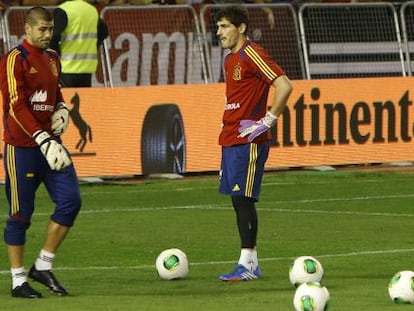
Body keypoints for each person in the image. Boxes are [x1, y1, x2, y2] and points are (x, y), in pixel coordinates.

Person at [0, 6, 81, 298]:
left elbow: (56, 93)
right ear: (28, 29)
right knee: (20, 215)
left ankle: (43, 266)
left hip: (50, 145)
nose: (48, 34)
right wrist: (41, 138)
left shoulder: (53, 58)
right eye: (42, 29)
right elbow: (15, 105)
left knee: (71, 200)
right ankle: (18, 281)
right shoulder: (14, 59)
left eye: (50, 29)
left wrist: (61, 108)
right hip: (23, 148)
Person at [215, 5, 293, 282]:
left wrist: (268, 121)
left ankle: (248, 264)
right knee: (238, 200)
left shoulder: (252, 53)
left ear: (241, 28)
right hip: (230, 137)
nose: (219, 32)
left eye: (225, 26)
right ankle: (251, 263)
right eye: (218, 27)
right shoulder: (229, 60)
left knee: (243, 199)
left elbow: (284, 85)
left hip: (249, 139)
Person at [50, 0, 108, 87]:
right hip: (87, 68)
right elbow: (104, 31)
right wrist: (93, 47)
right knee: (83, 99)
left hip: (67, 67)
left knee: (65, 99)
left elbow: (53, 37)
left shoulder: (64, 10)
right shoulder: (91, 10)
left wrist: (56, 55)